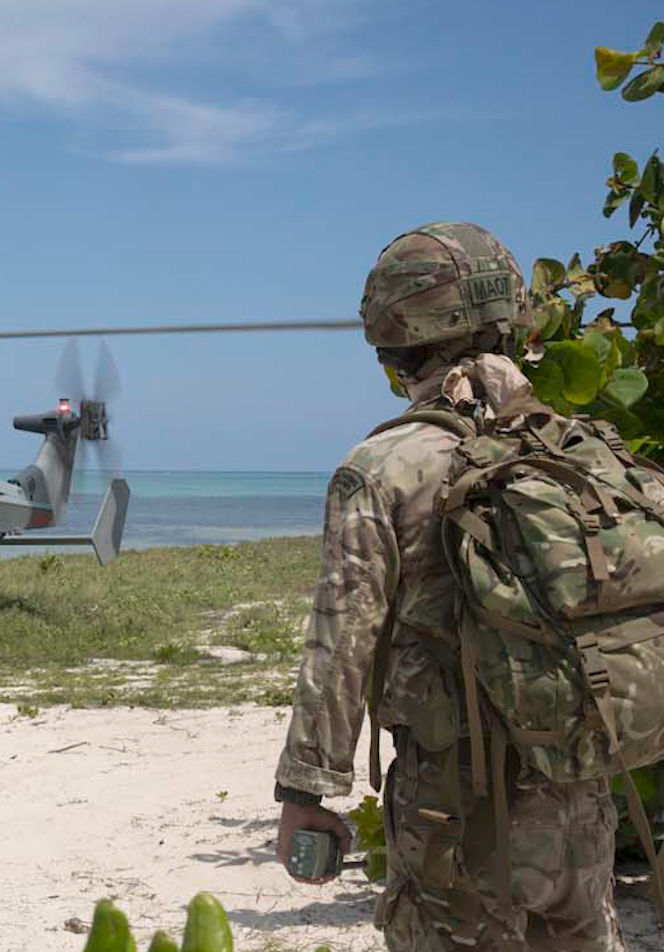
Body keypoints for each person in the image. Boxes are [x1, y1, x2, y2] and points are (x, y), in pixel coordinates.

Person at [273, 222, 623, 951]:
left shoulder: (384, 466)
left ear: (394, 337)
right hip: (579, 794)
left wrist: (306, 793)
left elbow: (341, 644)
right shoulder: (575, 446)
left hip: (456, 809)